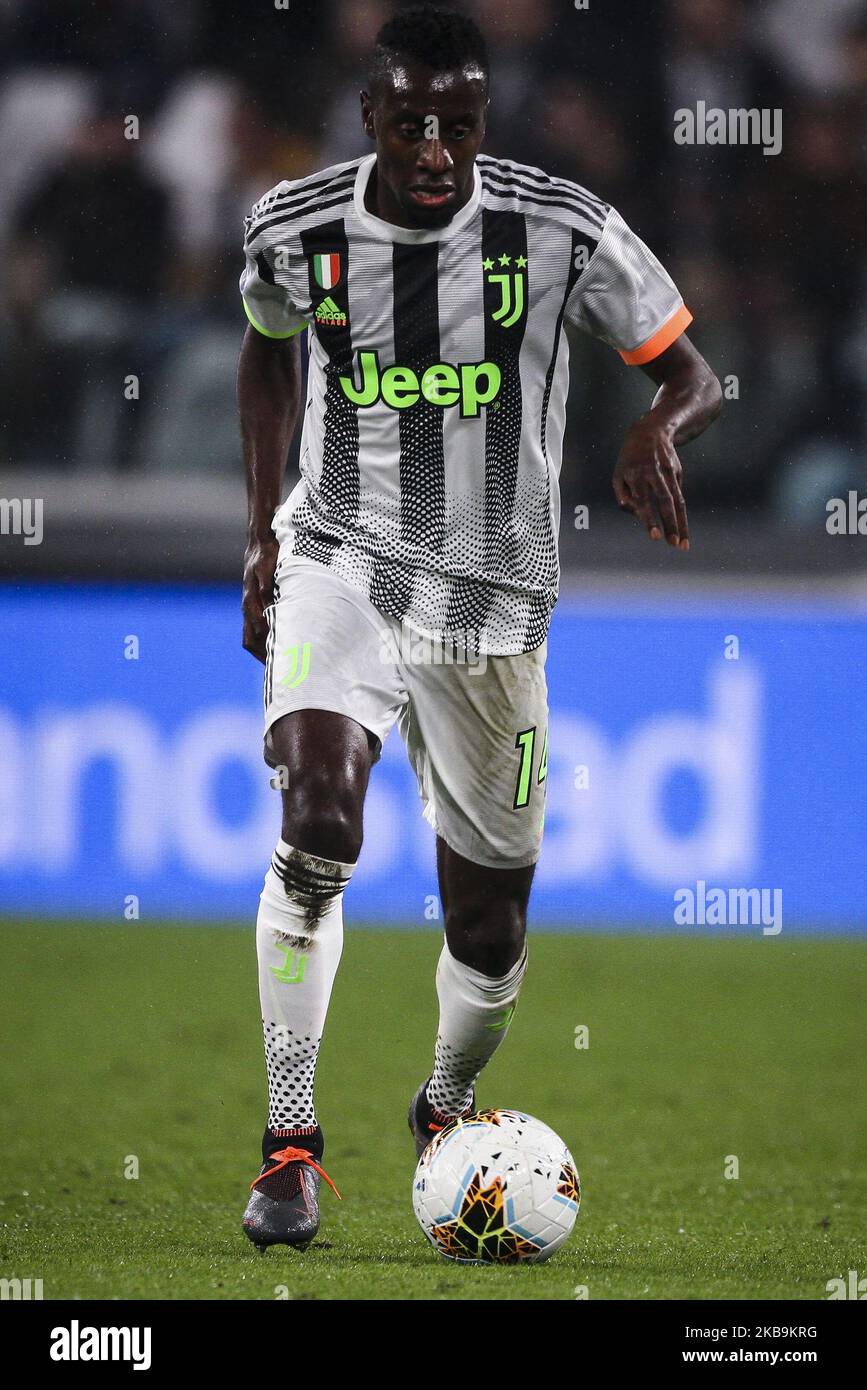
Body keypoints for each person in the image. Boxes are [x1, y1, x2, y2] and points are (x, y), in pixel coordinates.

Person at [237, 3, 721, 1249]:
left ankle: (443, 1102)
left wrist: (660, 426)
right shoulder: (297, 227)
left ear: (482, 117)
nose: (439, 150)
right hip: (338, 554)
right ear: (371, 117)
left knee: (491, 927)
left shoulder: (556, 227)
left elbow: (691, 369)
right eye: (413, 124)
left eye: (460, 123)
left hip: (496, 602)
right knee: (318, 819)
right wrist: (259, 533)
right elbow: (266, 350)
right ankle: (290, 1145)